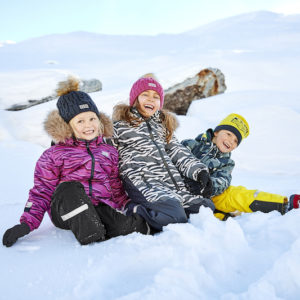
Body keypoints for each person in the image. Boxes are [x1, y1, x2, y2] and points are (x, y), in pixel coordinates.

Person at [2, 77, 148, 247]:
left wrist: (127, 204)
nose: (88, 125)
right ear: (68, 126)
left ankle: (124, 227)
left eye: (92, 119)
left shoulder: (108, 151)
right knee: (69, 187)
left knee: (126, 225)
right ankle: (92, 234)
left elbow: (115, 185)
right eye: (80, 121)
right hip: (66, 210)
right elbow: (41, 191)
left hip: (99, 208)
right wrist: (26, 224)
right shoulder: (53, 155)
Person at [112, 77, 215, 232]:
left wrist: (200, 172)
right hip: (143, 182)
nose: (151, 100)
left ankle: (168, 210)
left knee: (206, 208)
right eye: (145, 94)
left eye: (156, 97)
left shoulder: (163, 127)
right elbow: (106, 154)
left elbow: (177, 151)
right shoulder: (120, 126)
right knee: (174, 216)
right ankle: (132, 210)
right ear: (135, 99)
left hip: (171, 185)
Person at [181, 113, 300, 220]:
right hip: (175, 186)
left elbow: (223, 181)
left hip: (206, 196)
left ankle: (284, 204)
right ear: (216, 132)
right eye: (228, 134)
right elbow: (173, 159)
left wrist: (206, 185)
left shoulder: (227, 163)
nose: (231, 141)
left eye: (236, 141)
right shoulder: (191, 145)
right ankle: (218, 214)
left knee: (235, 194)